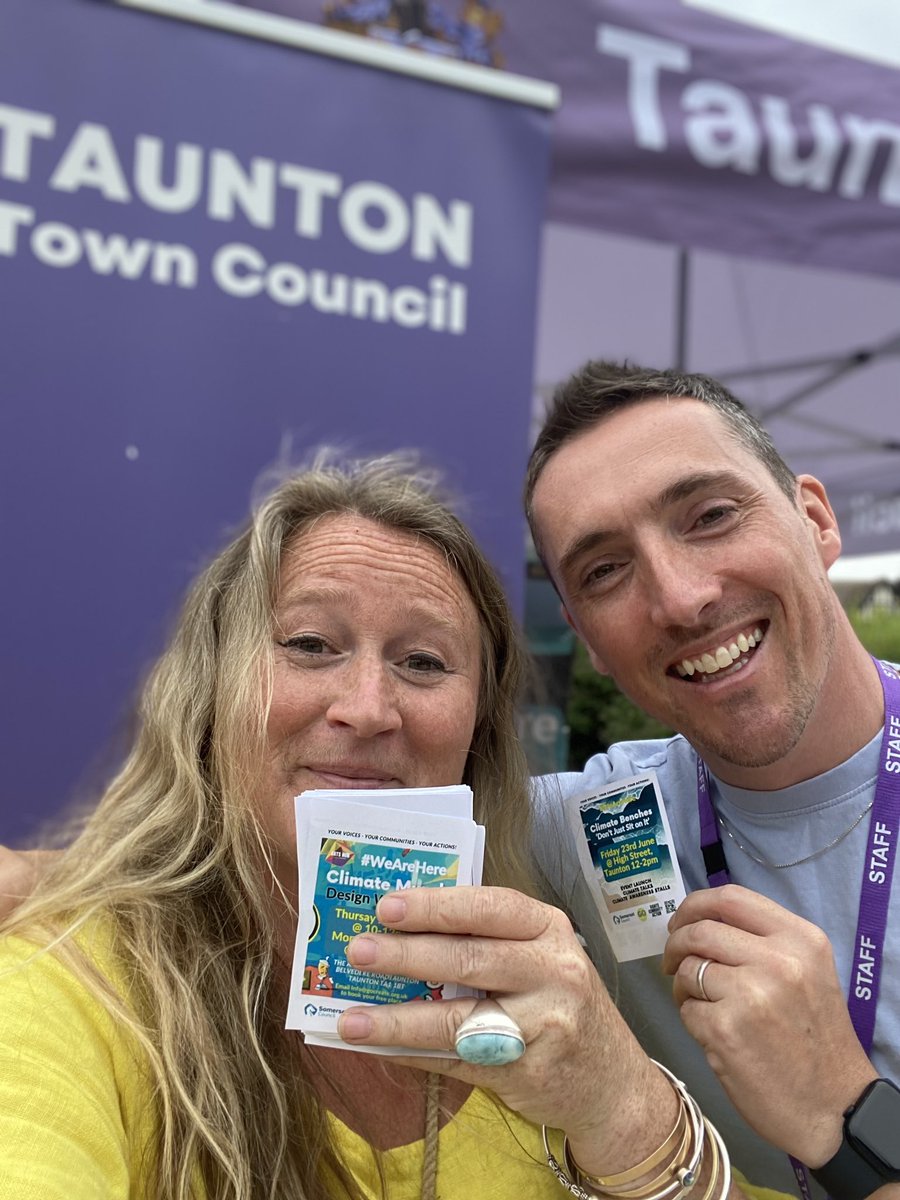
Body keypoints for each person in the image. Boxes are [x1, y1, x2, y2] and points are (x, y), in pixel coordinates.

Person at [0, 452, 763, 1200]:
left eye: (424, 662)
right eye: (309, 645)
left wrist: (627, 1109)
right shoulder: (68, 987)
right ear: (207, 690)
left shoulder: (545, 991)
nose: (366, 708)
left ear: (478, 731)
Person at [524, 361, 900, 1200]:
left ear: (815, 519)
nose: (681, 599)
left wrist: (845, 1114)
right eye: (604, 572)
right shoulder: (596, 821)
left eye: (711, 516)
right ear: (586, 639)